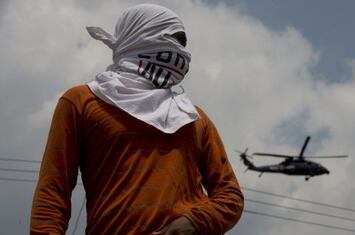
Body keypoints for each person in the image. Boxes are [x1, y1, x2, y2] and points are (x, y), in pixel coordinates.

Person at [30, 4, 244, 235]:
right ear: (139, 36)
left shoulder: (193, 117)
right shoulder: (81, 102)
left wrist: (194, 223)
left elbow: (230, 196)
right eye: (172, 40)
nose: (180, 51)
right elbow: (53, 190)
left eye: (183, 44)